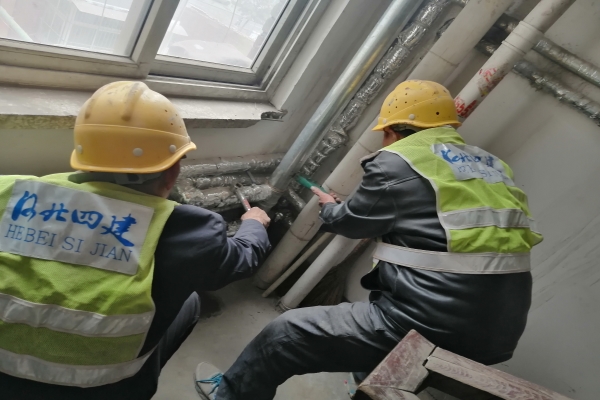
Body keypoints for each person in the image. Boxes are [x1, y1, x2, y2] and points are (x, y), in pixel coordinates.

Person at [194, 80, 543, 400]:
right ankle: (367, 381)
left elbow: (351, 223)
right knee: (369, 325)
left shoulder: (398, 162)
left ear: (390, 131)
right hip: (501, 332)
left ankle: (231, 394)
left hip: (428, 325)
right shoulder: (491, 166)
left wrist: (330, 208)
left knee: (284, 334)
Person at [0, 81, 271, 400]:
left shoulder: (9, 191)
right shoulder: (188, 230)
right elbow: (242, 258)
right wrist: (254, 224)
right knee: (191, 302)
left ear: (83, 156)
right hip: (101, 389)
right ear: (172, 173)